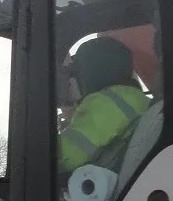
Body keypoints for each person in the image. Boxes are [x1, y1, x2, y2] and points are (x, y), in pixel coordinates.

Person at [57, 36, 150, 172]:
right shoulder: (132, 99)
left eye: (77, 72)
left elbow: (67, 157)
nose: (75, 79)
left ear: (89, 73)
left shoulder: (105, 103)